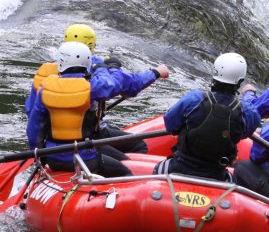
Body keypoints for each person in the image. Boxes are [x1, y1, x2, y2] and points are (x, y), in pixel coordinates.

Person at [27, 42, 167, 177]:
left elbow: (34, 128)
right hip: (85, 159)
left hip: (54, 160)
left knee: (112, 157)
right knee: (125, 172)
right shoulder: (91, 88)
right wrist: (101, 67)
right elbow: (110, 84)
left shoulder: (46, 88)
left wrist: (39, 155)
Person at [154, 53, 261, 181]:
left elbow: (170, 125)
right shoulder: (248, 112)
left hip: (180, 166)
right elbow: (243, 134)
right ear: (240, 81)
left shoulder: (193, 99)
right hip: (217, 174)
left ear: (214, 74)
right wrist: (248, 94)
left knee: (157, 170)